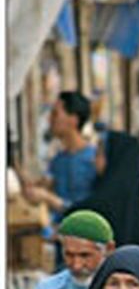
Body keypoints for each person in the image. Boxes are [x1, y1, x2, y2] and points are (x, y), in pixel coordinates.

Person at [23, 91, 97, 219]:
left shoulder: (94, 160)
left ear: (73, 120)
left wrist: (48, 198)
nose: (49, 119)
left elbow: (90, 211)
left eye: (55, 114)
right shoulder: (58, 160)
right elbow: (45, 185)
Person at [66, 130, 139, 246]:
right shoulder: (125, 193)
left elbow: (84, 211)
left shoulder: (109, 201)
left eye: (98, 154)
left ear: (113, 157)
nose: (93, 160)